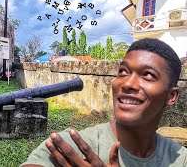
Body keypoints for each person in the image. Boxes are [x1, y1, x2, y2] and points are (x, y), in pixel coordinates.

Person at [21, 38, 187, 167]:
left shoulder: (181, 159)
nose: (127, 83)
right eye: (123, 71)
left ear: (171, 96)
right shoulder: (72, 145)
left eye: (148, 75)